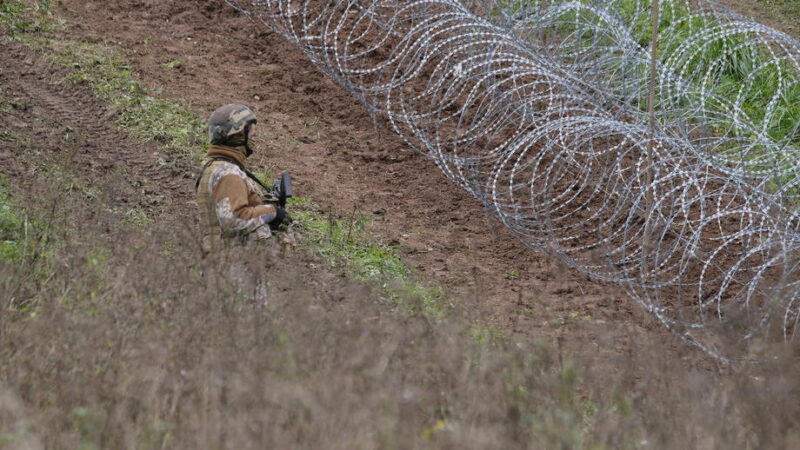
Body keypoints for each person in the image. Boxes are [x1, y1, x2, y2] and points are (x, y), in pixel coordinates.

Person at [196, 103, 290, 254]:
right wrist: (273, 212)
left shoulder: (216, 167)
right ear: (238, 136)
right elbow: (234, 219)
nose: (255, 140)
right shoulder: (228, 174)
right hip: (232, 266)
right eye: (252, 135)